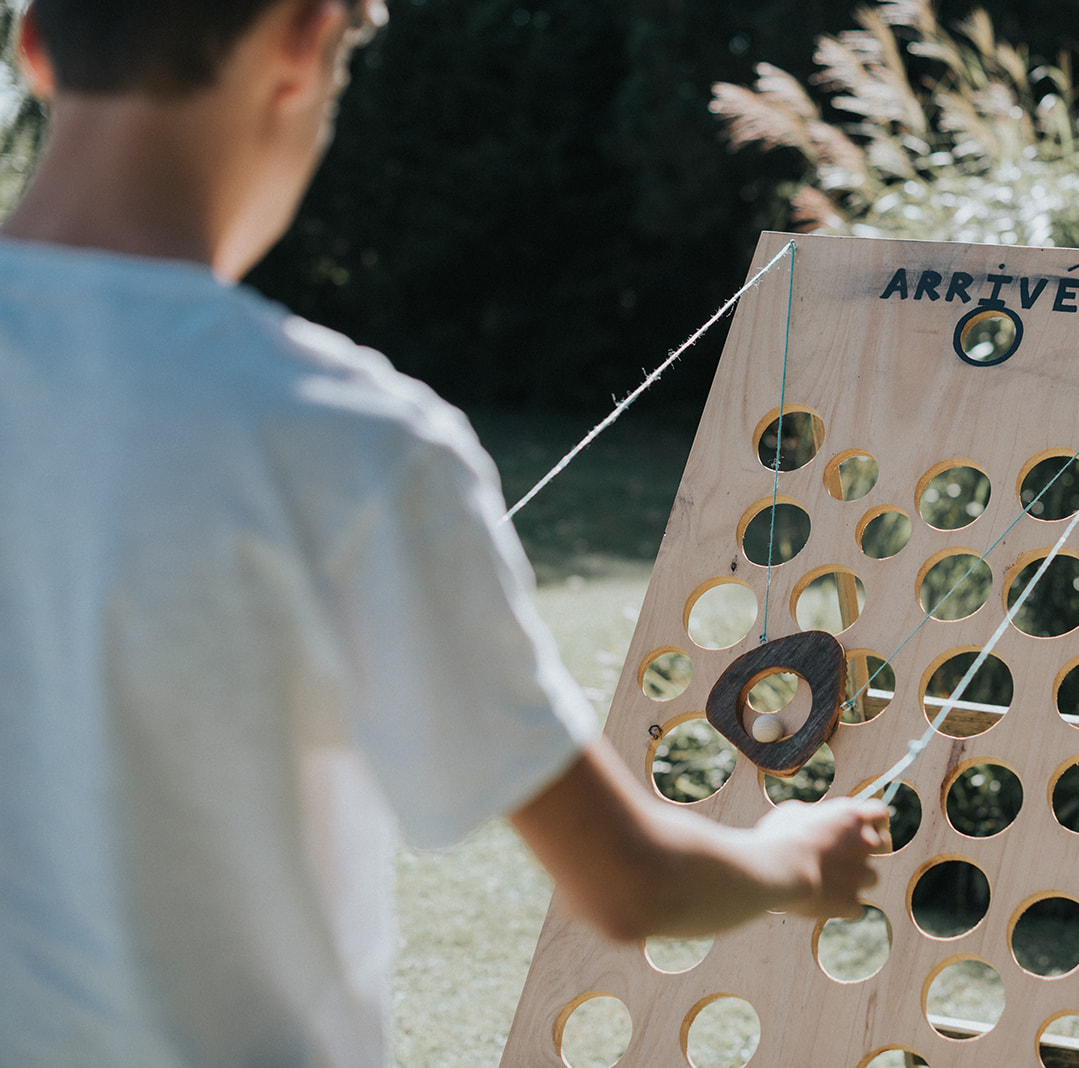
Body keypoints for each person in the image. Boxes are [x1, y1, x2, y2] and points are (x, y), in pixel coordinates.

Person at [0, 2, 888, 1064]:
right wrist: (798, 857)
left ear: (37, 45)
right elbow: (631, 883)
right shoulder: (349, 438)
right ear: (300, 40)